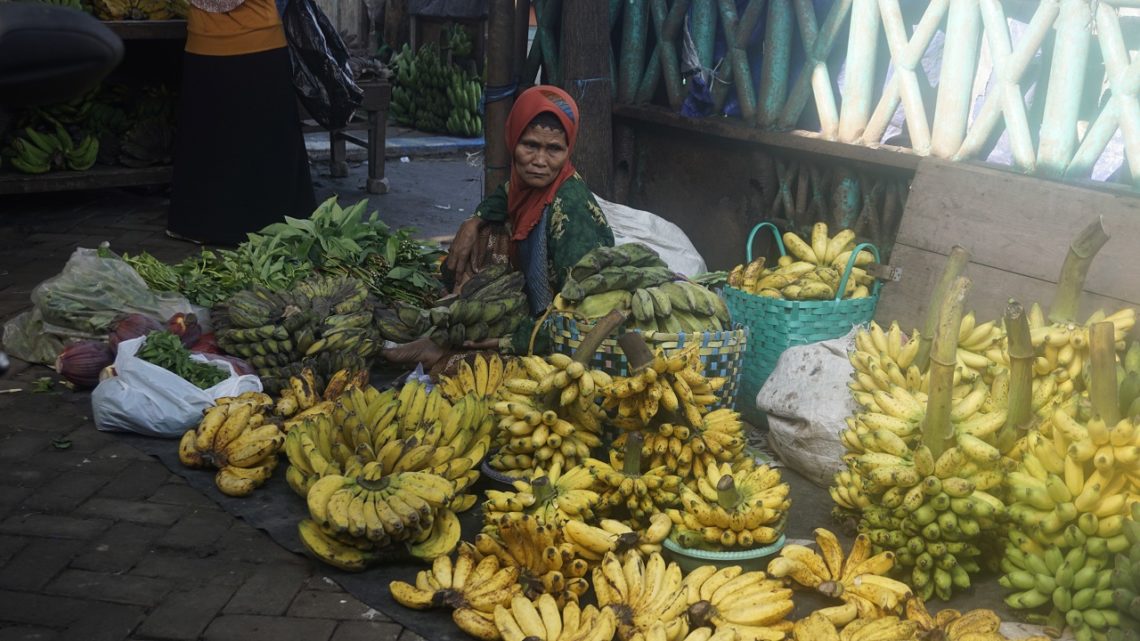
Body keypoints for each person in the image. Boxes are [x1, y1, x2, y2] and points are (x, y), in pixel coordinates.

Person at [384, 85, 615, 370]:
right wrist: (473, 222)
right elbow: (501, 198)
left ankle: (441, 350)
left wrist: (508, 341)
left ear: (569, 150)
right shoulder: (525, 188)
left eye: (554, 149)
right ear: (513, 139)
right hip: (528, 301)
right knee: (486, 233)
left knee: (468, 368)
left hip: (564, 327)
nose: (540, 161)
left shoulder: (571, 210)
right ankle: (452, 328)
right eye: (530, 145)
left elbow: (584, 314)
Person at [167, 0, 316, 245]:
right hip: (258, 42)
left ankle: (204, 225)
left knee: (209, 142)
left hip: (207, 44)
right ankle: (271, 224)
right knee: (264, 142)